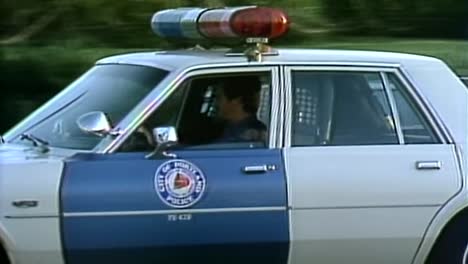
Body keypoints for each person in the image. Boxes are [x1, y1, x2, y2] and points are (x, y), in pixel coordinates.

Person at [215, 75, 267, 143]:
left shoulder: (250, 135)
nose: (216, 103)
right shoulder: (228, 127)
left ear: (236, 101)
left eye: (219, 98)